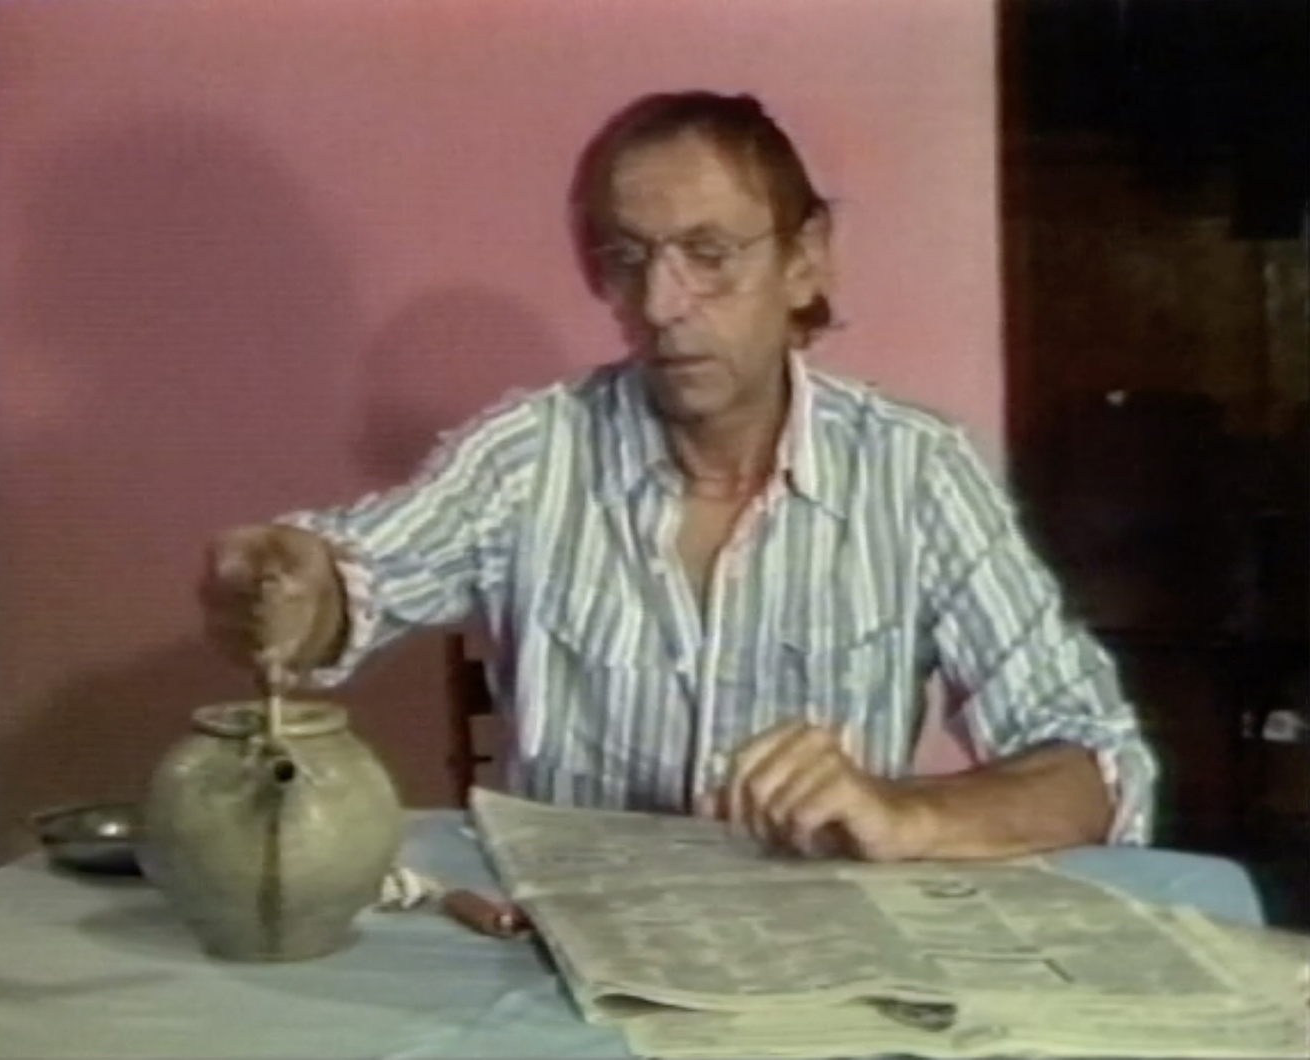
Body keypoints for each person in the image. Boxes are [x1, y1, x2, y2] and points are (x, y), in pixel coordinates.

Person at [200, 90, 1157, 863]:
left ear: (805, 259)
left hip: (818, 976)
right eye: (628, 260)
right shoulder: (531, 454)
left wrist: (908, 815)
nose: (662, 305)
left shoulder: (915, 470)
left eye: (709, 254)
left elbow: (1098, 767)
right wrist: (286, 585)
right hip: (563, 971)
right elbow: (354, 578)